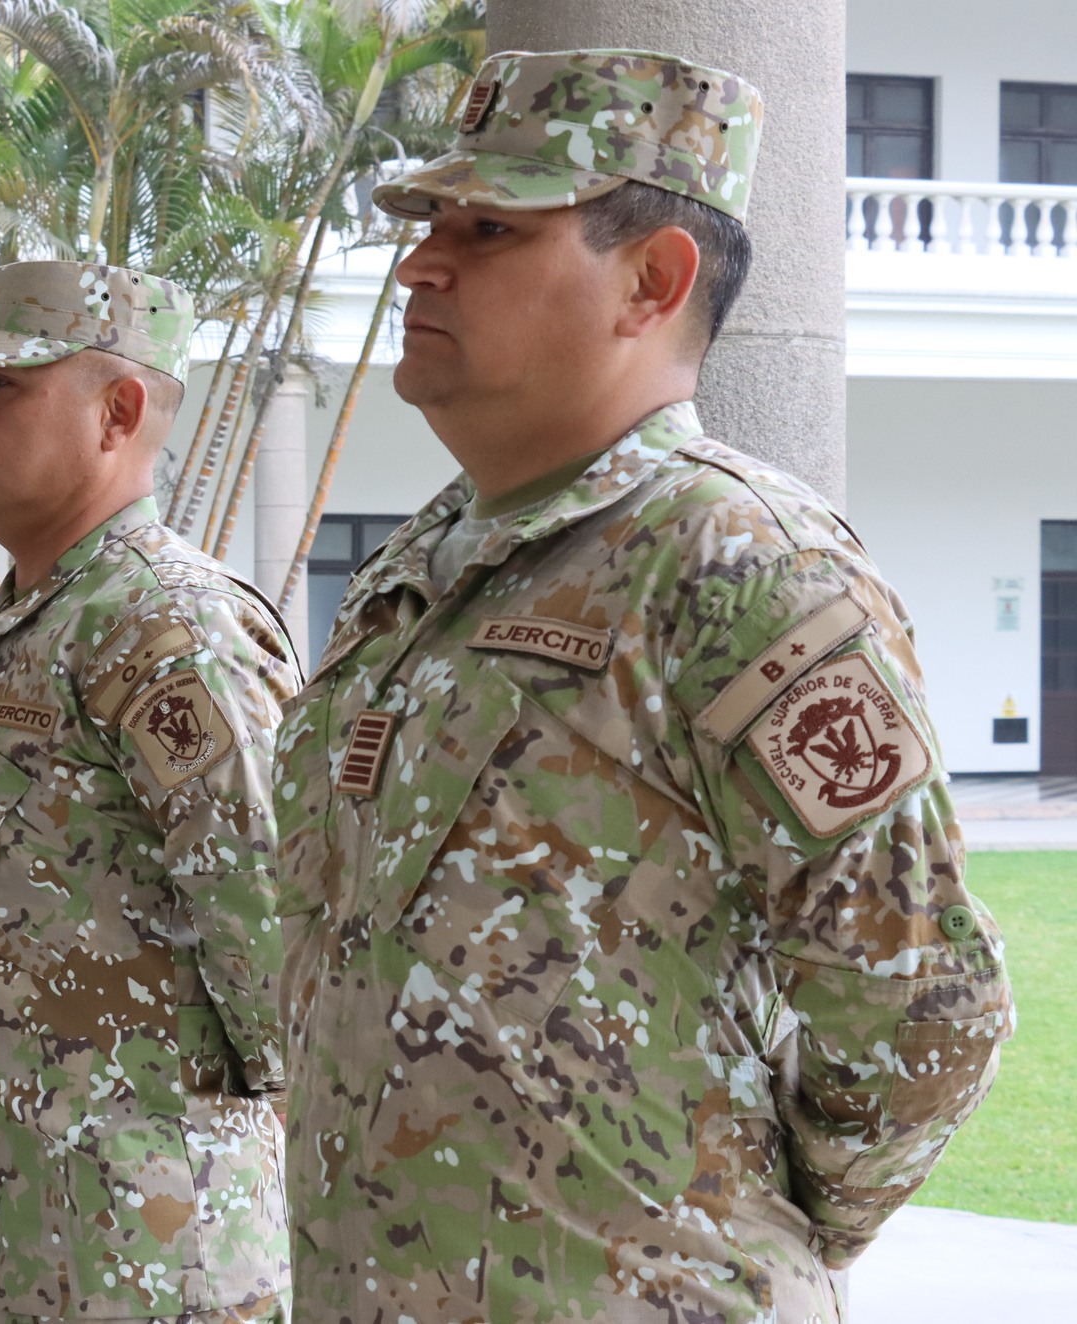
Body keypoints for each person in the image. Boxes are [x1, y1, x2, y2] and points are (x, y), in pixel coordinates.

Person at [274, 49, 1016, 1324]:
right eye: (429, 224)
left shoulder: (735, 564)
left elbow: (920, 1004)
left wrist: (728, 1219)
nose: (419, 264)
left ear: (651, 281)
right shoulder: (415, 566)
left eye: (488, 229)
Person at [0, 261, 299, 1321]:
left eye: (0, 385)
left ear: (118, 411)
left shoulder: (167, 626)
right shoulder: (23, 627)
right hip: (1, 1237)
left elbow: (278, 936)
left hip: (138, 1258)